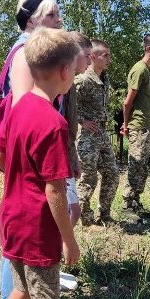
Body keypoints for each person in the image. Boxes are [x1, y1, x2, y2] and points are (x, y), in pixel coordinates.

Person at [0, 28, 79, 299]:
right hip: (36, 227)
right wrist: (70, 242)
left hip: (11, 217)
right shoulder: (53, 122)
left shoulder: (19, 105)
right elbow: (56, 192)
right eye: (76, 68)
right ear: (64, 71)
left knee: (21, 291)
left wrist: (19, 178)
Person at [0, 0, 64, 299]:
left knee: (28, 226)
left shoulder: (35, 52)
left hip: (32, 150)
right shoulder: (25, 52)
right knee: (25, 227)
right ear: (34, 21)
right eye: (52, 15)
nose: (59, 20)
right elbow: (25, 109)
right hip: (30, 153)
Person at [75, 39, 120, 226]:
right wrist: (82, 121)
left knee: (112, 173)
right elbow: (68, 104)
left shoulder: (104, 77)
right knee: (88, 177)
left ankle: (105, 214)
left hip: (101, 132)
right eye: (105, 55)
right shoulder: (83, 80)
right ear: (92, 57)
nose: (109, 58)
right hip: (87, 137)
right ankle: (85, 219)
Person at [121, 33, 150, 216]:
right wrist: (126, 125)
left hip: (146, 124)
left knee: (142, 166)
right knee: (135, 164)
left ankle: (135, 202)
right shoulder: (139, 69)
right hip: (137, 125)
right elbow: (127, 102)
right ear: (149, 48)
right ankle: (126, 204)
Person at [62, 32, 92, 226]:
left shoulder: (70, 82)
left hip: (67, 150)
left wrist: (74, 159)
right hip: (59, 152)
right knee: (70, 211)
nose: (90, 60)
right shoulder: (62, 83)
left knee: (73, 210)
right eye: (87, 56)